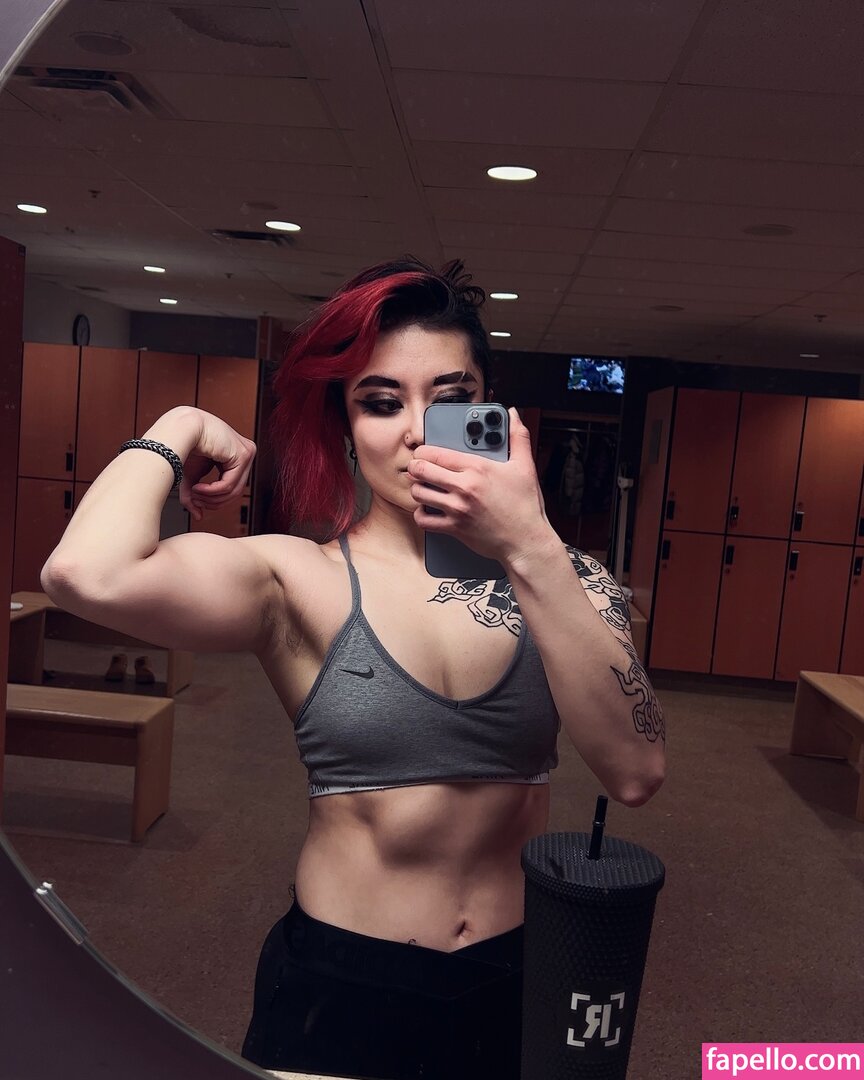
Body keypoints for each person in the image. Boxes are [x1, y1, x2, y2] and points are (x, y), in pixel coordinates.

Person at [40, 256, 666, 1080]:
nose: (417, 431)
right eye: (381, 402)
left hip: (518, 974)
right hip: (343, 981)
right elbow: (82, 574)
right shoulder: (296, 577)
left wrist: (529, 545)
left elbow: (635, 771)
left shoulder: (567, 578)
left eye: (450, 399)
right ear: (344, 425)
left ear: (493, 412)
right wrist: (182, 422)